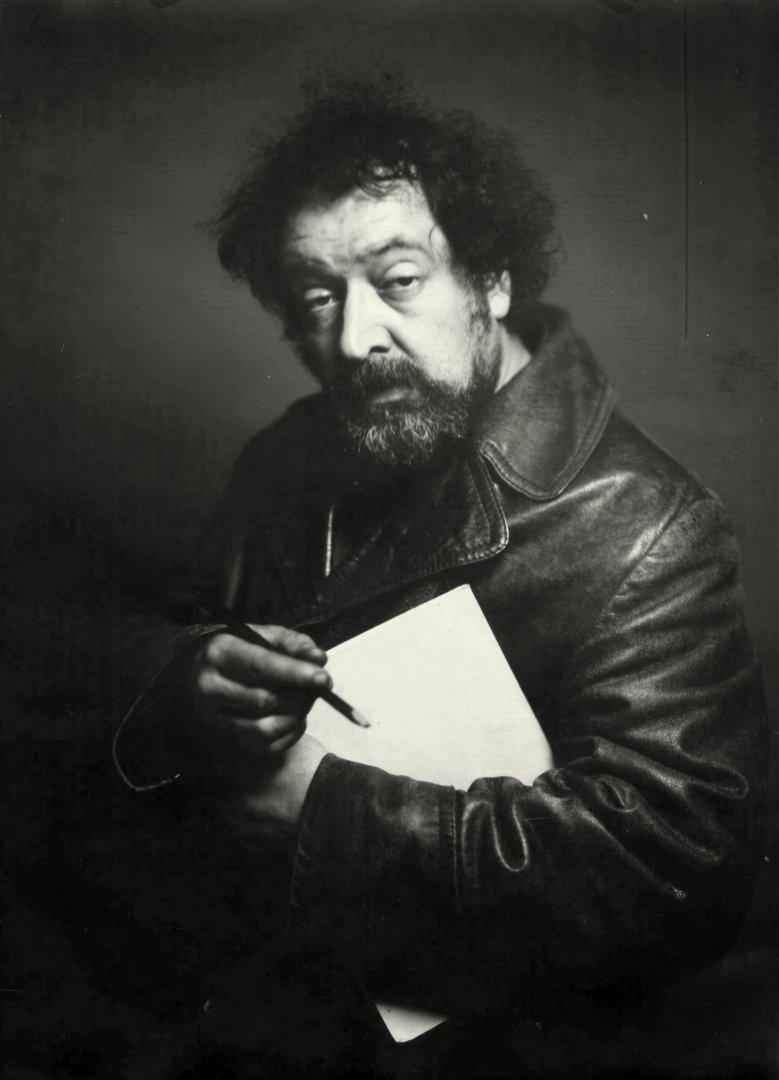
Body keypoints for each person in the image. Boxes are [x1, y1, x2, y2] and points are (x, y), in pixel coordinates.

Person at [111, 84, 767, 1078]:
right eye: (317, 298)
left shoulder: (648, 525)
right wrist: (189, 674)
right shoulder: (281, 458)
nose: (354, 339)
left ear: (491, 280)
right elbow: (159, 632)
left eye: (398, 280)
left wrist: (321, 812)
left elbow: (669, 872)